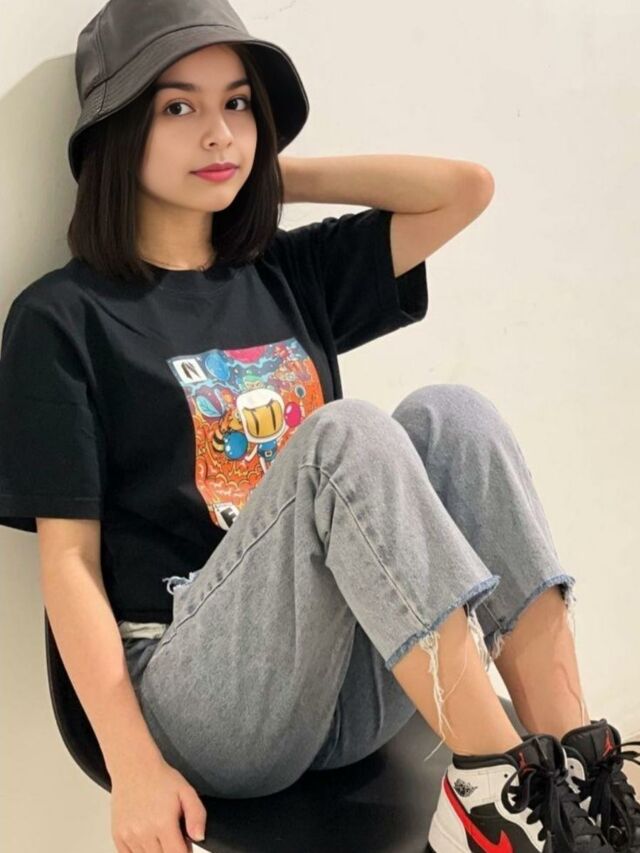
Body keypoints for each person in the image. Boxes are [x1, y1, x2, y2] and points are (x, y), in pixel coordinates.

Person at [1, 1, 638, 851]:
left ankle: (574, 776)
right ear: (118, 132)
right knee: (347, 438)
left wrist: (266, 177)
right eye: (179, 107)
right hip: (199, 696)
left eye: (237, 104)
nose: (218, 132)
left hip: (342, 683)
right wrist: (133, 762)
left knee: (454, 415)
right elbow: (70, 565)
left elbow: (464, 190)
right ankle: (491, 795)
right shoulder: (63, 318)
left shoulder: (282, 272)